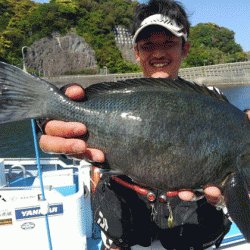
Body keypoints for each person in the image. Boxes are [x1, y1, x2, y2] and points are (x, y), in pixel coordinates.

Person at [38, 0, 249, 249]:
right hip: (124, 240)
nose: (158, 53)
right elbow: (70, 149)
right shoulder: (118, 100)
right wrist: (48, 118)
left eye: (168, 43)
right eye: (148, 45)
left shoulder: (218, 106)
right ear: (136, 52)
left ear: (185, 48)